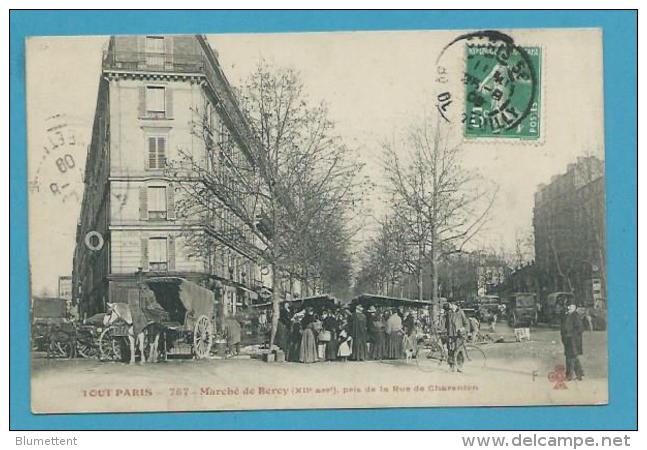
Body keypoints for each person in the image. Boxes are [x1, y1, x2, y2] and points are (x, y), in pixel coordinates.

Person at [561, 302, 585, 380]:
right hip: (568, 339)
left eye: (571, 307)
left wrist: (571, 334)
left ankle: (569, 375)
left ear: (574, 308)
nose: (569, 308)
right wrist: (564, 336)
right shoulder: (567, 315)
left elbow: (580, 328)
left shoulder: (575, 316)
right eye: (568, 306)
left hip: (573, 340)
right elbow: (563, 327)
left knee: (570, 357)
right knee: (573, 356)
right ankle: (579, 374)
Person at [445, 302, 470, 372]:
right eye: (450, 305)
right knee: (450, 351)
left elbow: (466, 323)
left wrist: (462, 329)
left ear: (455, 305)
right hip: (450, 334)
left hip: (459, 335)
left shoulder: (461, 312)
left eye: (451, 305)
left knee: (459, 351)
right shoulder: (449, 313)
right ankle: (451, 366)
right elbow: (446, 324)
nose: (450, 306)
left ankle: (459, 366)